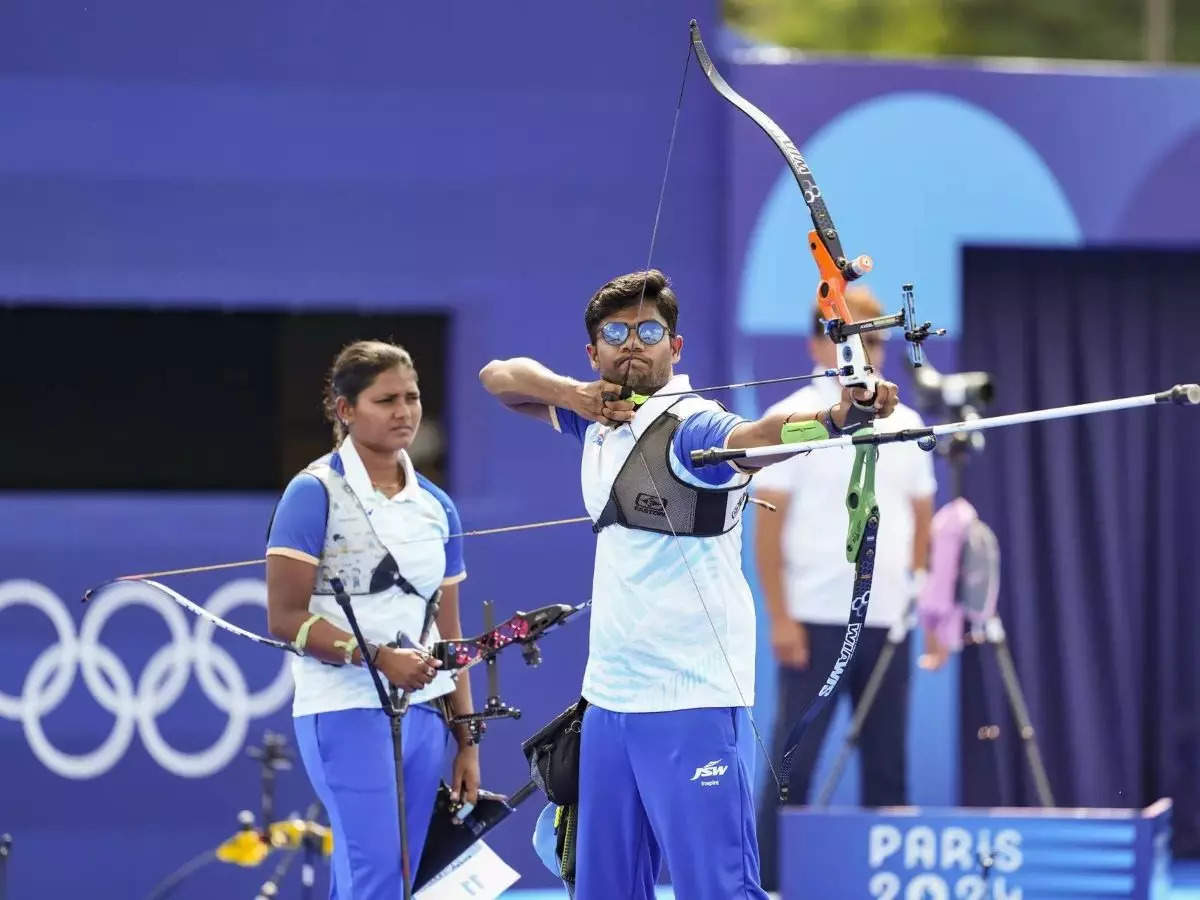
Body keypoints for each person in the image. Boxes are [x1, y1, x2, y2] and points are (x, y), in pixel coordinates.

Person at [478, 270, 900, 899]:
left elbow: (751, 441)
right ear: (593, 352)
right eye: (615, 332)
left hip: (688, 701)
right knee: (603, 890)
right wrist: (574, 395)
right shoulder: (595, 419)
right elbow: (498, 376)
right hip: (608, 701)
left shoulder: (692, 426)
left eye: (650, 331)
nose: (633, 344)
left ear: (675, 348)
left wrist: (838, 418)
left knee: (717, 888)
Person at [265, 340, 480, 899]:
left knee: (398, 881)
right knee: (375, 878)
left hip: (425, 717)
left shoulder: (438, 506)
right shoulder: (312, 494)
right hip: (344, 710)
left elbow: (450, 636)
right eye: (386, 400)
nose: (405, 411)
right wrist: (376, 656)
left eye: (412, 398)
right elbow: (284, 617)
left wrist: (468, 740)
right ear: (344, 410)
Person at [752, 287, 935, 891]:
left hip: (889, 622)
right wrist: (780, 617)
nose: (869, 350)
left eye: (877, 338)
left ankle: (895, 883)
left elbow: (922, 521)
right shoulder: (794, 417)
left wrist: (920, 605)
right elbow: (768, 527)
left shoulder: (908, 424)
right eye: (853, 338)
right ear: (819, 342)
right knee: (792, 762)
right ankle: (772, 882)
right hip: (815, 620)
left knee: (889, 763)